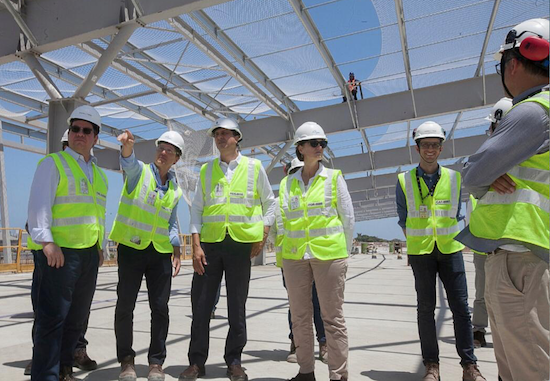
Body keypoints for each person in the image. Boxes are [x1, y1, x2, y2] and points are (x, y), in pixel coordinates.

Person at [456, 18, 549, 381]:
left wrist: (480, 170)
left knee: (527, 366)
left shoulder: (532, 112)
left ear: (512, 63)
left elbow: (472, 173)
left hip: (519, 259)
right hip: (525, 254)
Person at [180, 117, 276, 381]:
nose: (221, 138)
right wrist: (196, 246)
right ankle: (196, 363)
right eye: (217, 134)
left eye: (226, 134)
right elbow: (197, 208)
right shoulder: (206, 170)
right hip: (209, 247)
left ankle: (234, 361)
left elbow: (270, 204)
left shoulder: (255, 167)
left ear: (238, 138)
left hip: (239, 246)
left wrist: (264, 233)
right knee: (200, 306)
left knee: (237, 305)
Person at [395, 121, 485, 381]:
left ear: (441, 148)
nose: (430, 149)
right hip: (422, 253)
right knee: (425, 309)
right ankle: (431, 366)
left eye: (435, 145)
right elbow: (403, 218)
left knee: (460, 308)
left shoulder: (455, 178)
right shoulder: (404, 180)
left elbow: (456, 214)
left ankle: (469, 366)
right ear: (417, 148)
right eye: (426, 145)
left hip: (450, 250)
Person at [27, 105, 108, 381]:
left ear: (96, 138)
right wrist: (47, 242)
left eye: (87, 131)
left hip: (87, 256)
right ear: (69, 132)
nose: (80, 134)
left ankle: (63, 370)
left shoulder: (99, 175)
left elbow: (96, 214)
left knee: (76, 320)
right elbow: (39, 204)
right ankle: (45, 376)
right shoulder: (54, 163)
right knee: (52, 320)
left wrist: (99, 248)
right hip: (59, 255)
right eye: (75, 129)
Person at [279, 122, 354, 381]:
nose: (320, 147)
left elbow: (348, 218)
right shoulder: (287, 184)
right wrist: (282, 257)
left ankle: (338, 375)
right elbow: (282, 222)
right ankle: (306, 372)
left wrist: (344, 253)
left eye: (323, 143)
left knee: (332, 318)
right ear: (300, 148)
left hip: (330, 257)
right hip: (295, 257)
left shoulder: (334, 178)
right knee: (299, 317)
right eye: (314, 143)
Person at [110, 129, 184, 381]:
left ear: (177, 158)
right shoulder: (139, 172)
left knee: (160, 308)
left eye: (169, 150)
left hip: (160, 252)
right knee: (125, 306)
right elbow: (127, 163)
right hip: (132, 249)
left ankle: (156, 362)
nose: (163, 153)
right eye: (160, 147)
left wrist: (176, 249)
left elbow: (172, 222)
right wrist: (127, 147)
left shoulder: (175, 190)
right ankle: (126, 361)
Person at [269, 158, 328, 365]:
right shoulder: (278, 203)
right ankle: (297, 343)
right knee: (296, 305)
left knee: (319, 302)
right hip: (290, 262)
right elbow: (272, 231)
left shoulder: (314, 196)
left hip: (315, 256)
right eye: (293, 171)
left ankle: (323, 343)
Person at [468, 97, 513, 350]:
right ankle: (478, 329)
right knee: (483, 293)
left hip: (515, 240)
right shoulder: (484, 159)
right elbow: (471, 180)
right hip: (485, 242)